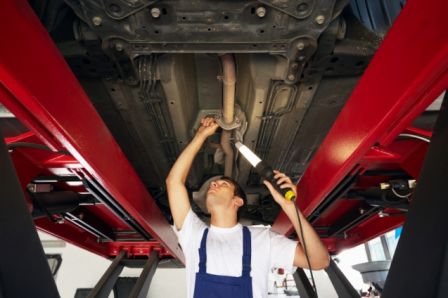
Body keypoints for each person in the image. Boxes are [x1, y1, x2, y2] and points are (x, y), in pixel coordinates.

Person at [166, 117, 329, 298]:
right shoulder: (193, 234)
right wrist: (200, 136)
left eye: (223, 184)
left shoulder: (263, 239)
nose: (214, 185)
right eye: (213, 184)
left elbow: (319, 261)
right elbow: (174, 182)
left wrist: (288, 206)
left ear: (238, 201)